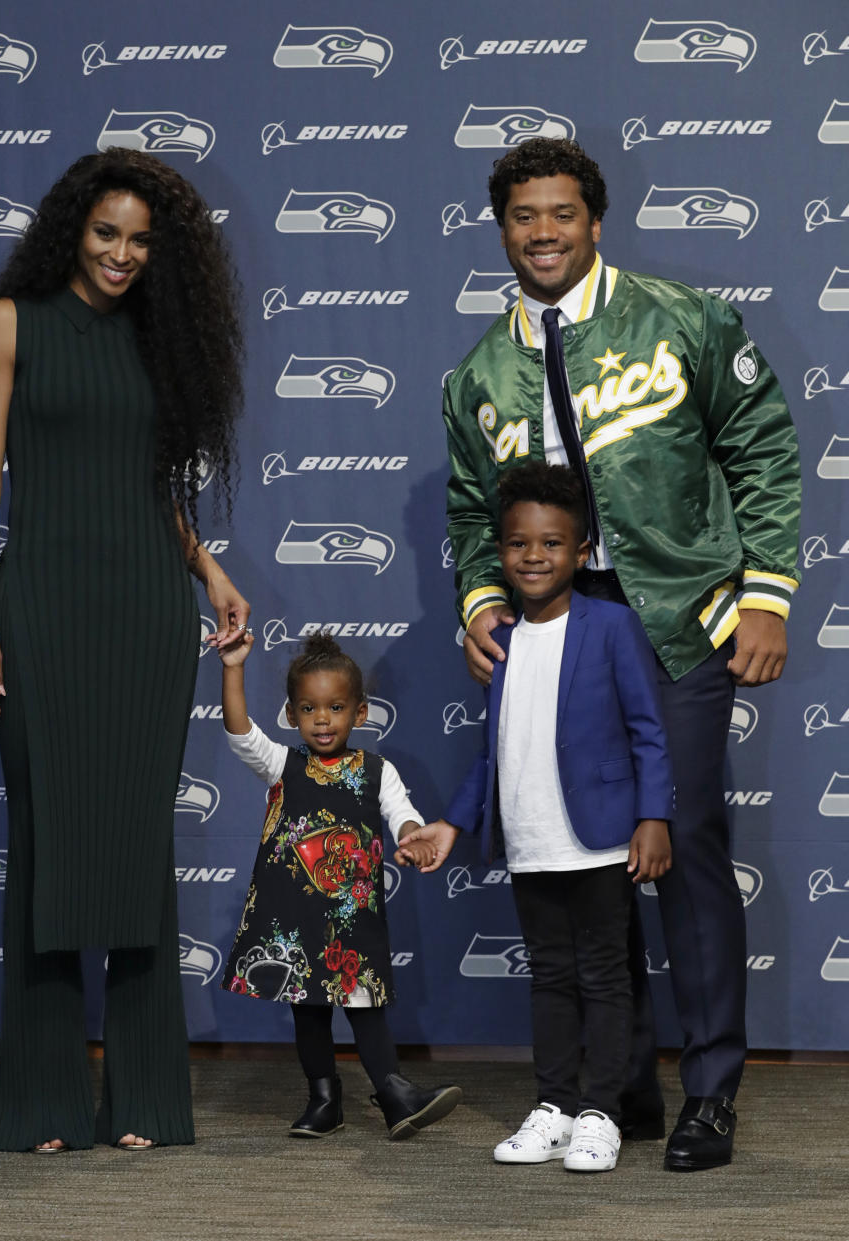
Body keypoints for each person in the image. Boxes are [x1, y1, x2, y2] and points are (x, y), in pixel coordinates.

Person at [436, 138, 801, 1171]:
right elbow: (473, 514)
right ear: (499, 227)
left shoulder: (680, 319)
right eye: (523, 216)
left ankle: (712, 1090)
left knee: (676, 842)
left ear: (596, 220)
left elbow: (765, 448)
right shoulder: (478, 374)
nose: (543, 232)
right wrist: (480, 603)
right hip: (558, 643)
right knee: (589, 857)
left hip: (678, 620)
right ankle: (622, 1085)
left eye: (561, 213)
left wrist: (766, 594)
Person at [0, 148, 249, 1152]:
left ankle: (146, 1099)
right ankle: (41, 1098)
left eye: (139, 239)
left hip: (146, 612)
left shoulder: (155, 339)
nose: (122, 254)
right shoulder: (10, 323)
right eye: (105, 233)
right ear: (70, 229)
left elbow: (153, 485)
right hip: (40, 606)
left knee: (135, 846)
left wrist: (206, 570)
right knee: (45, 841)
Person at [405, 463, 673, 1172]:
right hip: (529, 841)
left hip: (601, 838)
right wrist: (452, 825)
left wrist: (653, 817)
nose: (534, 555)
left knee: (606, 978)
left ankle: (602, 1113)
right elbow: (491, 755)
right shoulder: (499, 638)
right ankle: (554, 1105)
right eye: (519, 542)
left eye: (552, 543)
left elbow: (649, 730)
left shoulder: (612, 624)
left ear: (582, 552)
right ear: (501, 551)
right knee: (550, 976)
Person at [218, 630, 461, 1140]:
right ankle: (324, 1100)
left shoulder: (379, 771)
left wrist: (414, 839)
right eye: (308, 709)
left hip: (351, 918)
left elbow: (404, 817)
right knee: (309, 1012)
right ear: (291, 715)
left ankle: (396, 1094)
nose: (322, 719)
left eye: (334, 707)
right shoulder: (282, 763)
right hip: (295, 918)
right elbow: (240, 731)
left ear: (361, 712)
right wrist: (234, 667)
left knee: (365, 1007)